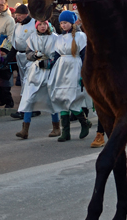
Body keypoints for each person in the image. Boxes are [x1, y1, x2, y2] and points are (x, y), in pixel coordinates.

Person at [49, 10, 92, 141]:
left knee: (72, 97)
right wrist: (52, 71)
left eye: (65, 22)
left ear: (72, 23)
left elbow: (85, 55)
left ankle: (84, 122)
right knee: (61, 97)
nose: (63, 25)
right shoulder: (59, 38)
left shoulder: (80, 36)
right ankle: (65, 132)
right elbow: (56, 55)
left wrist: (84, 73)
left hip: (74, 67)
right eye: (61, 23)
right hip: (61, 68)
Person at [15, 19, 59, 139]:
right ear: (36, 26)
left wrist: (49, 62)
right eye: (39, 24)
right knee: (28, 98)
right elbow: (28, 53)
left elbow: (58, 54)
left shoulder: (55, 37)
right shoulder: (32, 37)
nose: (42, 26)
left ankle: (56, 127)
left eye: (44, 24)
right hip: (35, 71)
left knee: (51, 99)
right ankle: (25, 129)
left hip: (50, 71)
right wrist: (34, 56)